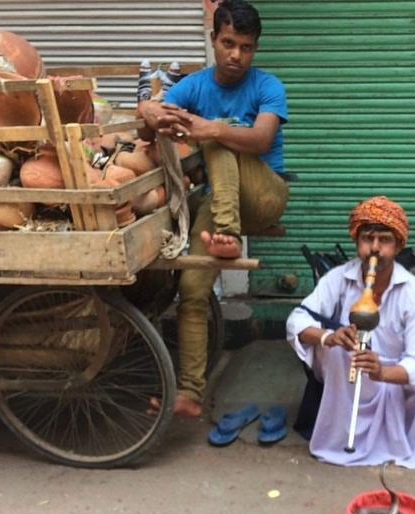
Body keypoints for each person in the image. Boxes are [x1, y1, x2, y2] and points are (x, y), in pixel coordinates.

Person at [137, 0, 289, 418]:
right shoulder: (196, 86)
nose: (236, 55)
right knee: (192, 290)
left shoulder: (268, 86)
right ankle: (188, 392)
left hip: (263, 197)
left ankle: (225, 233)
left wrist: (210, 128)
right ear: (213, 40)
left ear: (255, 49)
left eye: (246, 46)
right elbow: (151, 112)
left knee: (221, 137)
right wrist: (150, 109)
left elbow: (259, 140)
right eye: (228, 43)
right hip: (219, 202)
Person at [286, 196, 415, 469]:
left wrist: (380, 372)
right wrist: (327, 337)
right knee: (333, 348)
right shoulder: (338, 278)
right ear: (357, 242)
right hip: (350, 374)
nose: (375, 248)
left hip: (396, 380)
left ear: (398, 245)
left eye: (385, 240)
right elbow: (296, 320)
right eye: (368, 238)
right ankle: (341, 435)